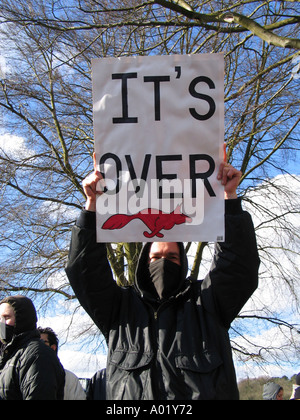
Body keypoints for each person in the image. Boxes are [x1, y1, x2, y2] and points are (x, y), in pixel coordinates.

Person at [65, 153, 260, 400]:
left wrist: (229, 200)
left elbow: (238, 267)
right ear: (144, 263)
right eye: (156, 257)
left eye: (172, 257)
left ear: (183, 265)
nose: (163, 262)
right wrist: (92, 206)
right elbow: (84, 269)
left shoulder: (207, 304)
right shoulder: (119, 311)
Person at [0, 295, 65, 400]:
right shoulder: (9, 356)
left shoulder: (38, 355)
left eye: (6, 317)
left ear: (22, 319)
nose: (1, 323)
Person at [38, 327, 86, 400]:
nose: (36, 346)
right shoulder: (23, 375)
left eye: (41, 342)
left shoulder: (70, 379)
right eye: (34, 343)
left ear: (53, 348)